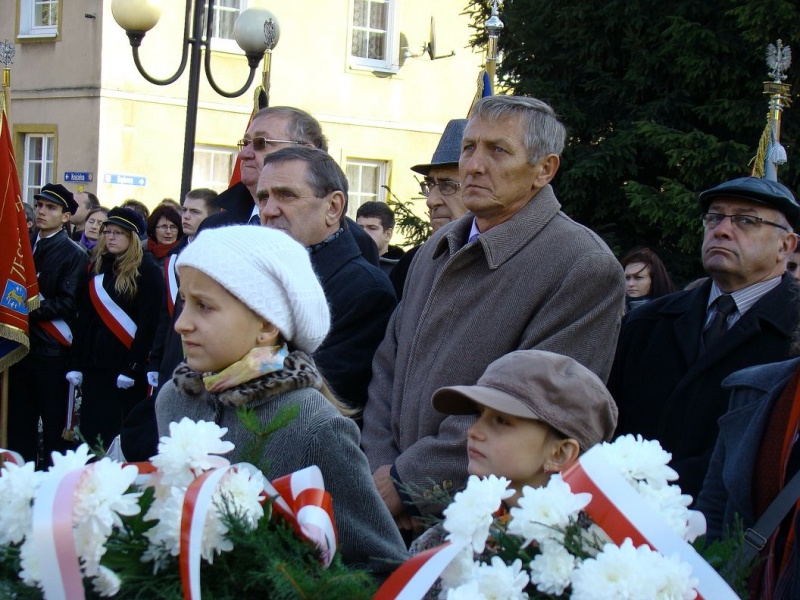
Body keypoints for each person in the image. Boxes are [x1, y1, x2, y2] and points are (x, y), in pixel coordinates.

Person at [361, 96, 625, 527]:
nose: (474, 165)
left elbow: (539, 412)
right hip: (390, 502)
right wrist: (380, 472)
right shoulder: (436, 248)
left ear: (545, 169)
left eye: (497, 150)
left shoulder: (582, 266)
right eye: (469, 148)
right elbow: (387, 369)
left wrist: (409, 485)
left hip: (488, 526)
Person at [155, 225, 408, 575]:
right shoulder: (176, 399)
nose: (182, 324)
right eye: (185, 301)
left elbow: (381, 566)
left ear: (266, 325)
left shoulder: (313, 425)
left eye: (204, 306)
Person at [609, 176, 800, 499]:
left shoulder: (793, 331)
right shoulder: (648, 322)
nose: (722, 230)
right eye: (714, 217)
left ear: (786, 246)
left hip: (739, 530)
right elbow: (609, 417)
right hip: (624, 513)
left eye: (746, 220)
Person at [257, 146, 396, 411]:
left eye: (286, 195)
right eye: (263, 198)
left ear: (333, 207)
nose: (269, 210)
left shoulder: (366, 292)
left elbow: (317, 401)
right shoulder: (255, 276)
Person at [197, 106, 379, 265]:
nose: (244, 154)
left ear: (306, 151)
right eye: (245, 143)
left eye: (261, 143)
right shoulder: (214, 227)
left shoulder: (355, 242)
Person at [433, 349, 618, 506]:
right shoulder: (448, 535)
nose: (473, 431)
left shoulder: (591, 546)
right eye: (480, 414)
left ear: (560, 453)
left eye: (502, 420)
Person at [67, 207, 164, 450]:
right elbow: (85, 320)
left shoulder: (147, 270)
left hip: (125, 367)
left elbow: (148, 324)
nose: (110, 237)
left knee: (117, 433)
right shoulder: (98, 266)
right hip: (95, 364)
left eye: (118, 233)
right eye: (107, 232)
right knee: (91, 431)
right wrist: (76, 362)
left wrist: (133, 368)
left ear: (132, 237)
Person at [8, 184, 89, 465]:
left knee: (55, 429)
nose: (42, 212)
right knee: (19, 427)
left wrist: (20, 310)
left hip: (52, 352)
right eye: (40, 205)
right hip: (20, 348)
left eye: (51, 208)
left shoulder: (74, 254)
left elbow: (67, 303)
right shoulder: (22, 246)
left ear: (66, 217)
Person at [390, 119, 469, 300]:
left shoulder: (512, 267)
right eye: (430, 184)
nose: (431, 201)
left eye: (447, 185)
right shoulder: (412, 264)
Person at [620, 247, 675, 313]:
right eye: (627, 277)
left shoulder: (671, 313)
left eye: (638, 277)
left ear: (654, 279)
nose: (630, 284)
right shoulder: (613, 312)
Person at [356, 201, 404, 275]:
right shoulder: (344, 264)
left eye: (372, 228)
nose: (363, 233)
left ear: (388, 234)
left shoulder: (402, 270)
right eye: (359, 228)